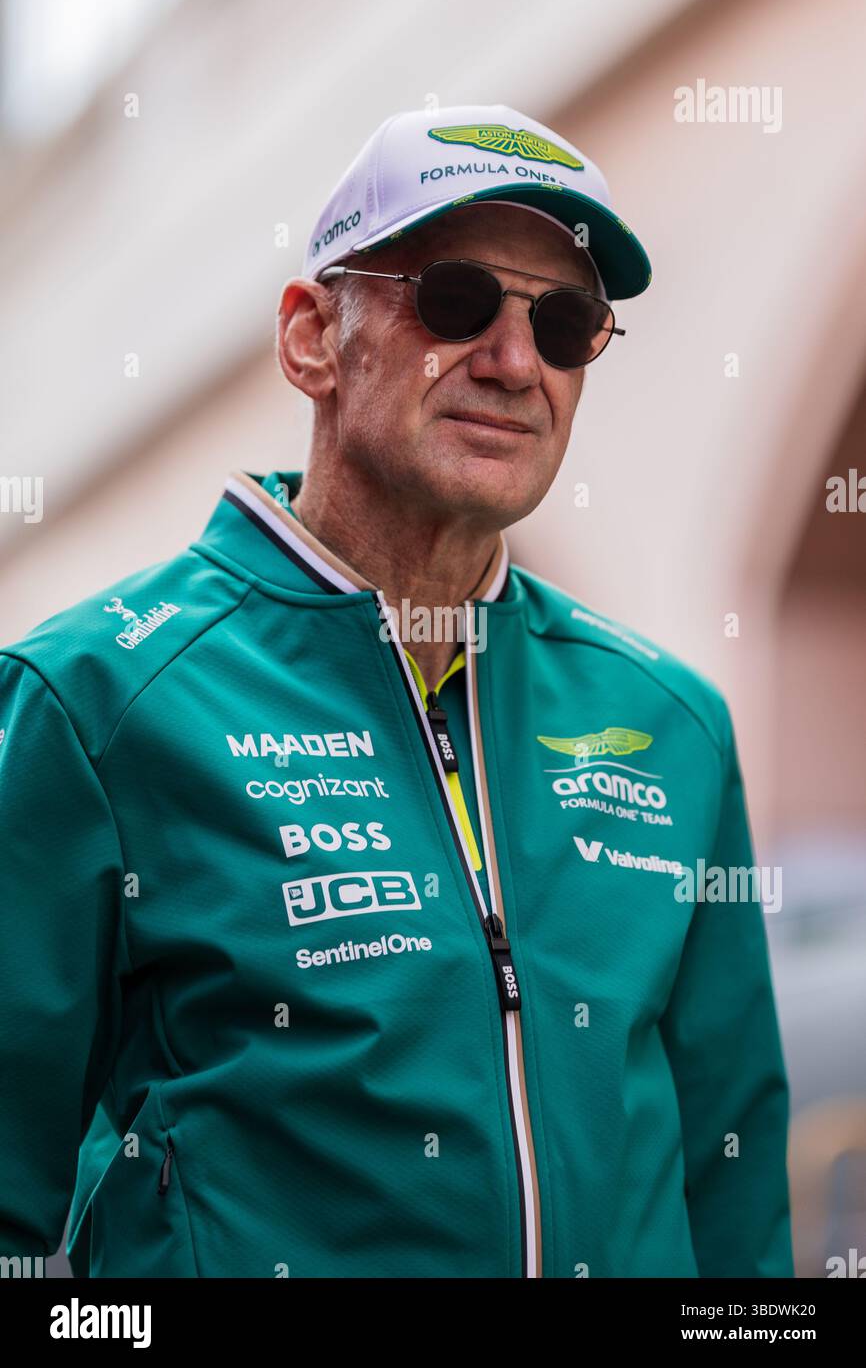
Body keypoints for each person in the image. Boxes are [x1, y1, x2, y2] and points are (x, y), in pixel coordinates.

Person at [0, 104, 794, 1278]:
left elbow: (731, 1203)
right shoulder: (93, 699)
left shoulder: (672, 725)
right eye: (455, 299)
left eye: (565, 325)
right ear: (313, 336)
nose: (515, 363)